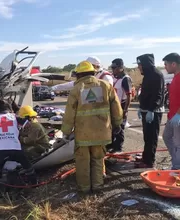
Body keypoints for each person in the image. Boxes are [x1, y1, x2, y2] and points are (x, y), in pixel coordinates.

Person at [61, 61, 123, 195]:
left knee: (82, 162)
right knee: (98, 160)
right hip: (102, 132)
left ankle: (84, 189)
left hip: (83, 134)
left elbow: (69, 114)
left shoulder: (76, 90)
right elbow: (116, 108)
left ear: (79, 74)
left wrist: (65, 133)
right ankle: (97, 187)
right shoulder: (105, 86)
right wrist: (117, 124)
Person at [0, 100, 38, 208]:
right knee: (27, 165)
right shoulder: (15, 117)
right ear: (9, 109)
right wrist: (19, 134)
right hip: (14, 147)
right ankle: (35, 184)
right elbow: (29, 125)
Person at [136, 53, 165, 168]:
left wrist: (151, 110)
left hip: (153, 111)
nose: (138, 67)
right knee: (147, 136)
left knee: (152, 137)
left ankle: (149, 161)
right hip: (146, 110)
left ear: (145, 64)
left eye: (140, 65)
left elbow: (158, 95)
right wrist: (141, 107)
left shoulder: (157, 75)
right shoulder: (147, 75)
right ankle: (145, 156)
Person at [106, 58, 133, 153]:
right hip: (114, 105)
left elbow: (129, 96)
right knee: (112, 126)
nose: (113, 70)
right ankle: (111, 144)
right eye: (112, 68)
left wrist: (125, 110)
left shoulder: (126, 79)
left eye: (115, 68)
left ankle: (118, 147)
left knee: (119, 127)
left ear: (121, 68)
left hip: (121, 105)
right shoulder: (115, 78)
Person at [162, 53, 180, 170]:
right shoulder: (175, 77)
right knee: (167, 137)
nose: (165, 67)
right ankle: (176, 163)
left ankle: (177, 167)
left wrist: (178, 115)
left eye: (166, 64)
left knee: (178, 143)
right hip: (172, 116)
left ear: (173, 64)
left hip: (178, 117)